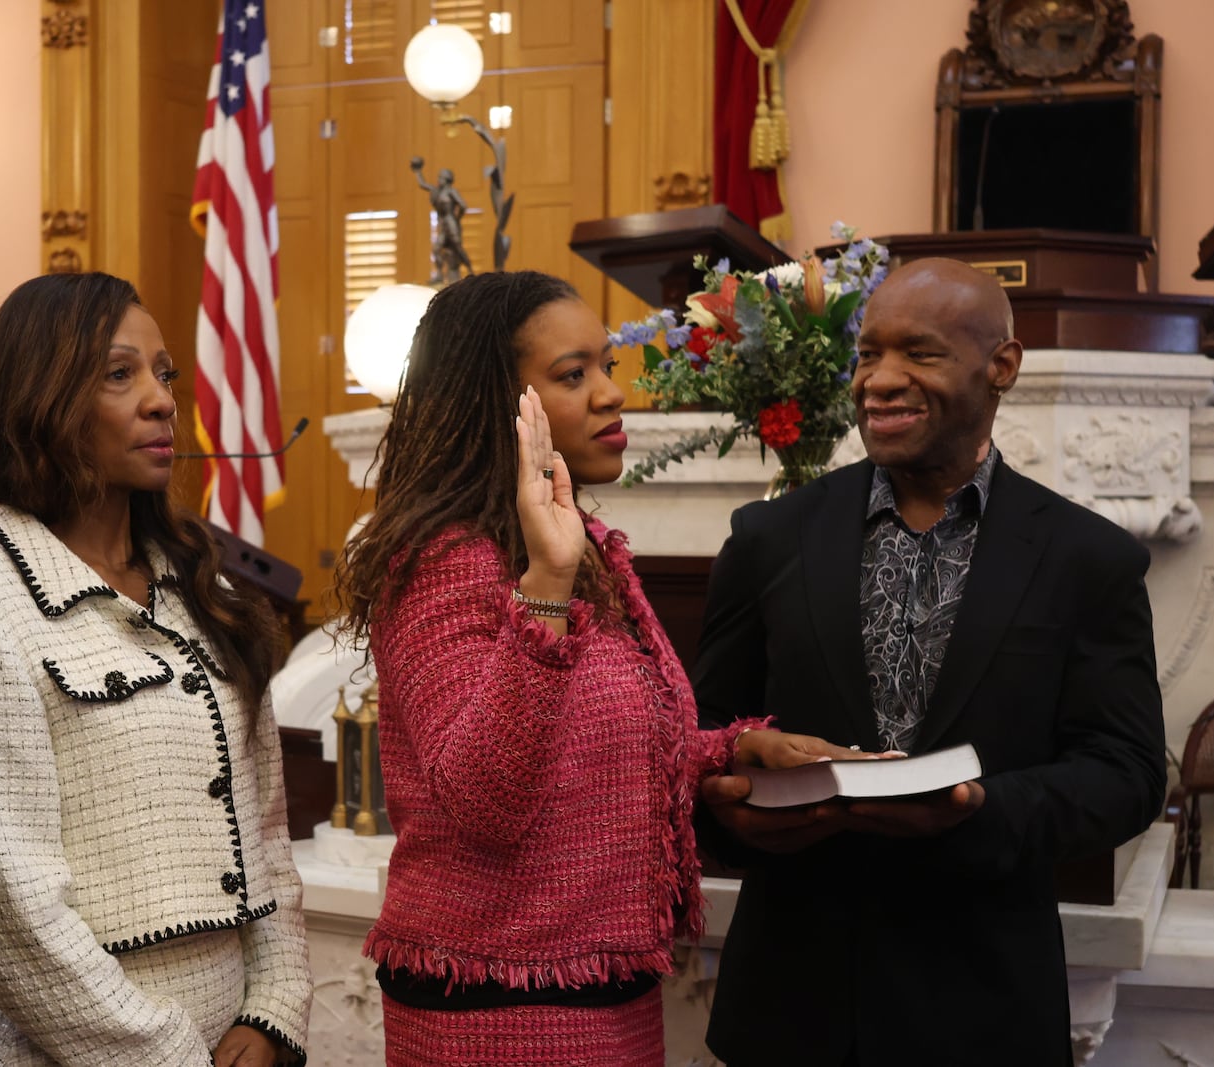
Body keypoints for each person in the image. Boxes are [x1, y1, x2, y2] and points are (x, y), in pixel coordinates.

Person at [332, 270, 860, 1066]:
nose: (613, 394)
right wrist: (544, 587)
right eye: (573, 375)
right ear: (496, 404)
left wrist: (734, 748)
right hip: (497, 1007)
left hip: (606, 991)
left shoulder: (585, 553)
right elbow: (484, 797)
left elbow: (594, 752)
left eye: (605, 366)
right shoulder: (441, 563)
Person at [693, 257, 1167, 1066]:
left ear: (1001, 366)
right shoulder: (770, 539)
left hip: (984, 1010)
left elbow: (1126, 773)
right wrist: (728, 813)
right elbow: (696, 736)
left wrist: (977, 811)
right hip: (793, 1007)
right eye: (868, 354)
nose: (880, 380)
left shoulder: (1087, 557)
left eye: (920, 353)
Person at [0, 271, 312, 1066]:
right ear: (41, 398)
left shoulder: (210, 590)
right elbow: (15, 913)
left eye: (164, 372)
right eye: (119, 372)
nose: (162, 398)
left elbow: (269, 828)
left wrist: (272, 1011)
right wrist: (171, 1056)